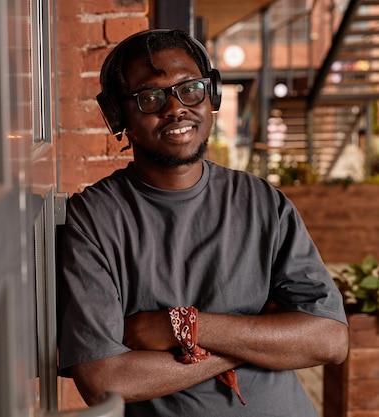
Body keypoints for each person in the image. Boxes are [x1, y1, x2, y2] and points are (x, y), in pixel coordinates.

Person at [57, 29, 348, 416]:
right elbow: (104, 379)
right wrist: (258, 340)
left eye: (189, 89)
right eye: (150, 97)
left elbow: (329, 339)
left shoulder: (263, 202)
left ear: (212, 94)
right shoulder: (93, 219)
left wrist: (185, 326)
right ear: (117, 115)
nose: (175, 108)